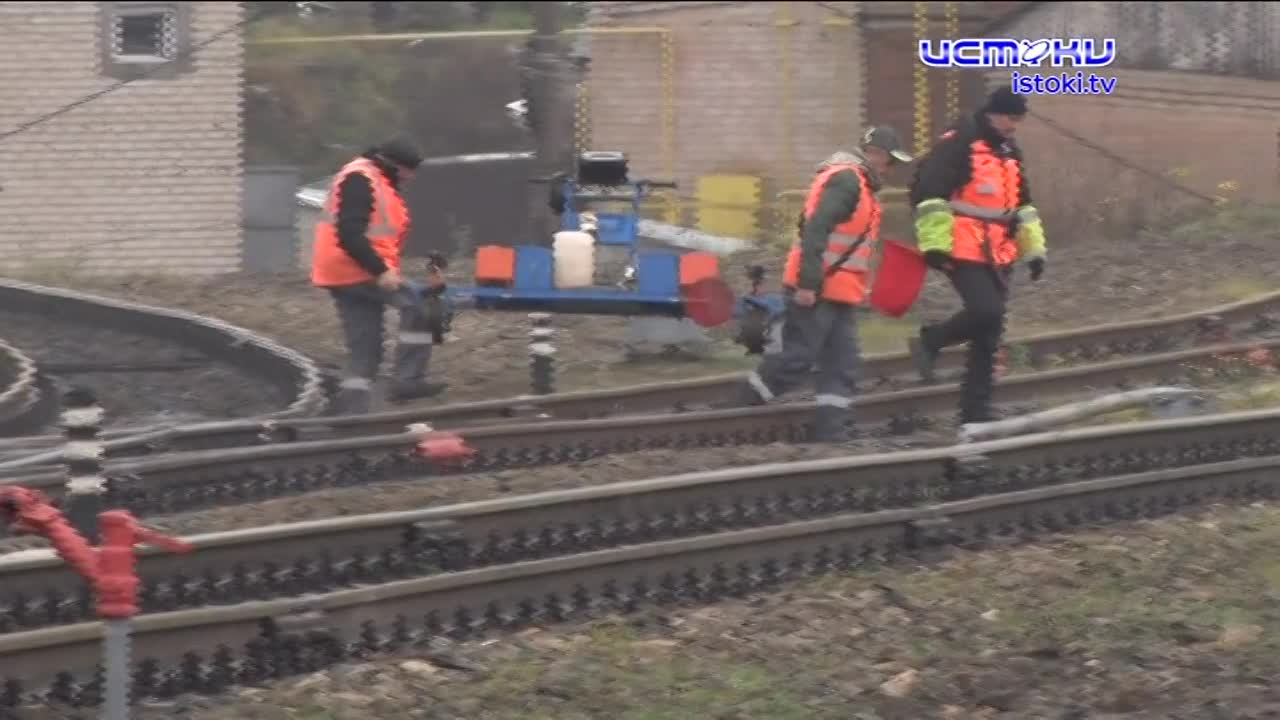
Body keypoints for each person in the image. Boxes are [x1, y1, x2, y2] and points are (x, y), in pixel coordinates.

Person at [734, 126, 914, 442]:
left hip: (840, 291)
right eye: (890, 161)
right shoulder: (846, 181)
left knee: (841, 362)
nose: (891, 169)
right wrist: (807, 284)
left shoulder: (860, 185)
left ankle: (833, 429)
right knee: (798, 358)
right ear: (876, 155)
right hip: (818, 290)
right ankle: (738, 407)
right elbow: (816, 230)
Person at [907, 87, 1047, 426]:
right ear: (993, 113)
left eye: (1018, 120)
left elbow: (1023, 207)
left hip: (999, 252)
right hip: (962, 245)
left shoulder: (1009, 151)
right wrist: (935, 247)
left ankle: (974, 414)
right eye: (1010, 118)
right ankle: (932, 339)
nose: (1014, 126)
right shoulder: (959, 144)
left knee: (989, 333)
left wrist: (1035, 250)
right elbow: (930, 195)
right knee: (987, 311)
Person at [311, 138, 447, 415]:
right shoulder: (361, 180)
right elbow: (350, 234)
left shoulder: (373, 179)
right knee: (420, 304)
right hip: (355, 268)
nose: (411, 177)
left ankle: (352, 417)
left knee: (365, 352)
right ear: (392, 164)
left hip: (341, 272)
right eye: (408, 170)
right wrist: (380, 271)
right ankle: (408, 381)